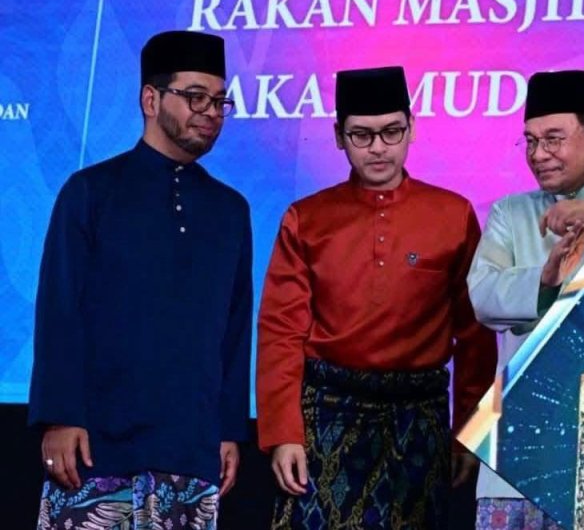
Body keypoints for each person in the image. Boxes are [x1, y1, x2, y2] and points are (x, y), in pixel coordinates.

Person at [256, 65, 498, 529]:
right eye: (361, 135)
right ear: (339, 137)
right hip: (327, 415)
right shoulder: (306, 218)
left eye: (392, 131)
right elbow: (280, 332)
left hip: (418, 421)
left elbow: (475, 334)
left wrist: (469, 432)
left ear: (412, 129)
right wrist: (283, 433)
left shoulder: (452, 214)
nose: (378, 147)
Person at [29, 30, 253, 529]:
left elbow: (236, 331)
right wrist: (60, 416)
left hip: (191, 448)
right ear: (150, 99)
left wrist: (228, 429)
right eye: (195, 97)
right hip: (95, 446)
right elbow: (60, 310)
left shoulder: (230, 210)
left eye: (220, 101)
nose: (210, 112)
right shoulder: (91, 192)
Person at [468, 69, 584, 529]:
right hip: (527, 434)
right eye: (530, 141)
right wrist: (543, 281)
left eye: (553, 139)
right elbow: (482, 296)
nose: (538, 154)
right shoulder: (510, 213)